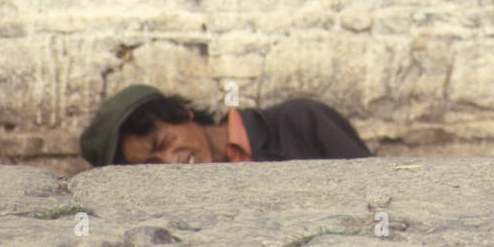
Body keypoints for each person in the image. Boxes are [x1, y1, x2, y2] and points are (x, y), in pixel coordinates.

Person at [80, 84, 373, 166]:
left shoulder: (302, 121)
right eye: (155, 165)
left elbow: (379, 194)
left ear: (183, 112)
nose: (173, 163)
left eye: (164, 143)